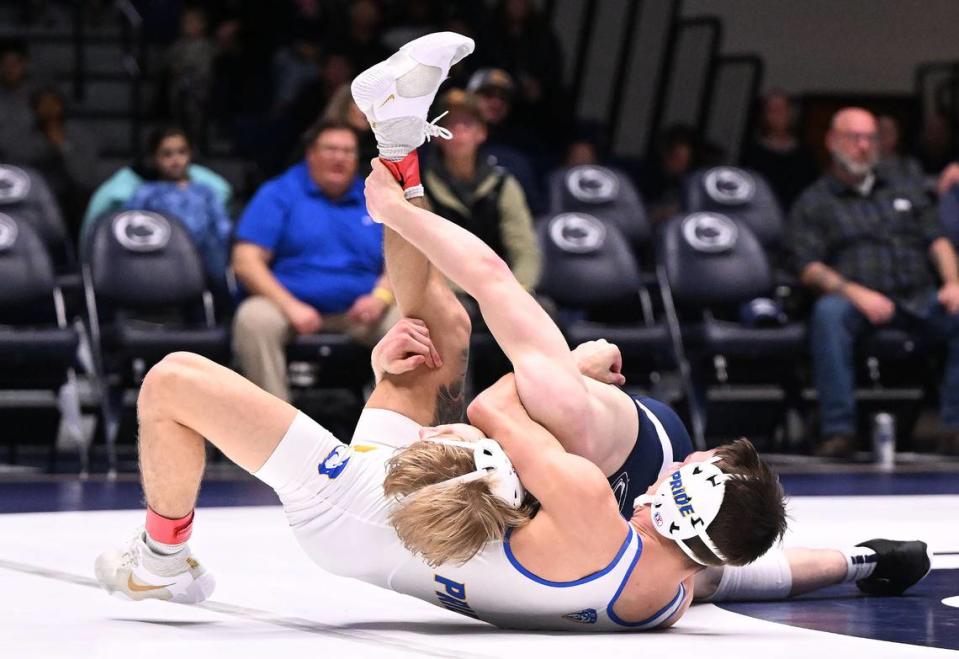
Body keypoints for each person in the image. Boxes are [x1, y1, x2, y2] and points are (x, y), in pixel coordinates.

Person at [92, 33, 921, 632]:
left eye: (693, 459)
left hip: (356, 509)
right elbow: (759, 574)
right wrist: (858, 562)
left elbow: (493, 401)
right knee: (430, 332)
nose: (689, 451)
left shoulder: (597, 505)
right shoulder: (670, 595)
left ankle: (161, 560)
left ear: (674, 487)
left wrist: (584, 371)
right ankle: (400, 140)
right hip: (405, 516)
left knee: (171, 379)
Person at [789, 107, 959, 458]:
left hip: (918, 296)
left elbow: (938, 240)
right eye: (855, 138)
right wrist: (855, 293)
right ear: (833, 142)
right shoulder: (815, 201)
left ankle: (954, 427)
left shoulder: (904, 190)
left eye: (871, 138)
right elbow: (806, 266)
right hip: (856, 301)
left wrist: (954, 282)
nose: (864, 146)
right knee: (828, 314)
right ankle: (839, 430)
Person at [230, 117, 397, 402]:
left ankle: (398, 428)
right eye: (331, 149)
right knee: (253, 320)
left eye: (348, 151)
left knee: (413, 324)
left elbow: (401, 261)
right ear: (311, 154)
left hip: (362, 310)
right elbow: (245, 260)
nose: (340, 158)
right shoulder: (279, 193)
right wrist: (290, 305)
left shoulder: (375, 196)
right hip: (289, 306)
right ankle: (277, 429)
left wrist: (380, 298)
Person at [423, 88, 541, 292]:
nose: (458, 131)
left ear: (481, 133)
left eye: (467, 124)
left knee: (545, 311)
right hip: (443, 290)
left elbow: (524, 248)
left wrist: (519, 290)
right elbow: (419, 250)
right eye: (450, 124)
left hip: (499, 289)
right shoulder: (420, 186)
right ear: (436, 134)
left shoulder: (502, 184)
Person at [124, 126, 232, 288]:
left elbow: (222, 228)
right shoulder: (146, 193)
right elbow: (130, 230)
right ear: (154, 158)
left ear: (190, 154)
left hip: (203, 262)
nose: (175, 160)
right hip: (159, 261)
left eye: (182, 152)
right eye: (167, 154)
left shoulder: (204, 192)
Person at [3, 86, 100, 243]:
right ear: (34, 109)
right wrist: (47, 144)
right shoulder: (23, 137)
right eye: (43, 103)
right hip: (30, 199)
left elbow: (85, 177)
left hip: (70, 201)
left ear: (61, 105)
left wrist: (62, 146)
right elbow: (15, 169)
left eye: (53, 103)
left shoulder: (78, 135)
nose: (48, 109)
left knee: (81, 202)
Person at [741, 89, 819, 212]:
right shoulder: (752, 154)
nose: (778, 115)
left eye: (782, 110)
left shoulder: (805, 155)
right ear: (764, 115)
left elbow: (812, 193)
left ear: (791, 113)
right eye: (772, 110)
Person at [876, 114, 924, 185]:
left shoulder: (910, 167)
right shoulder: (863, 167)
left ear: (897, 135)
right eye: (880, 131)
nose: (884, 135)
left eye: (888, 131)